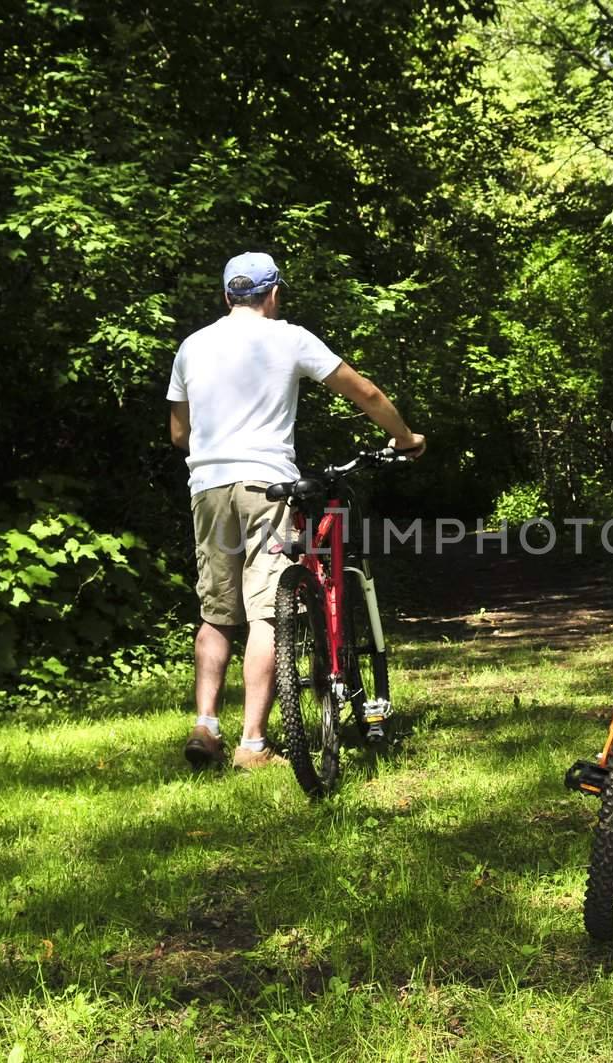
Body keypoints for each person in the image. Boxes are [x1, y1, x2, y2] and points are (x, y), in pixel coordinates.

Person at [167, 252, 425, 770]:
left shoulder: (191, 346)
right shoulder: (289, 337)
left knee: (216, 613)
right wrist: (405, 437)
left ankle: (205, 724)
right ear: (274, 294)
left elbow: (179, 434)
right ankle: (253, 744)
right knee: (268, 610)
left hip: (208, 486)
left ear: (226, 295)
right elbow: (366, 391)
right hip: (267, 484)